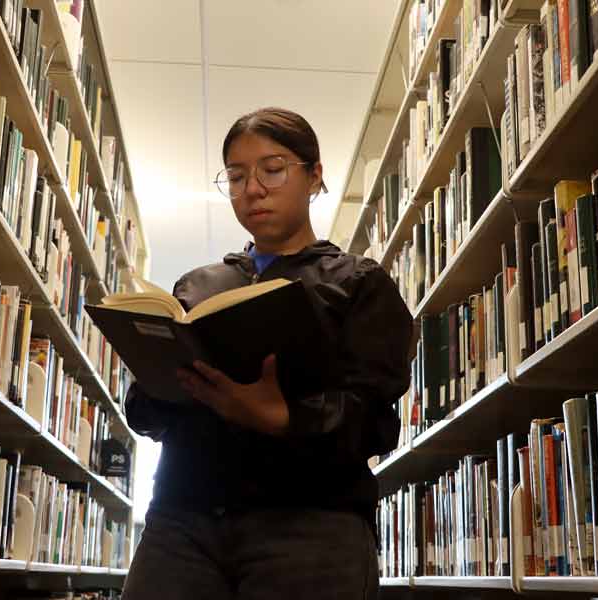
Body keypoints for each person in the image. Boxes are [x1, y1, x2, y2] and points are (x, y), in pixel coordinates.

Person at [121, 107, 414, 600]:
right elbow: (145, 411)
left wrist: (283, 417)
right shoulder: (197, 286)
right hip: (183, 520)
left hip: (312, 526)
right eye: (236, 176)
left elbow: (375, 420)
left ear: (314, 175)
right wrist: (162, 384)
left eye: (272, 170)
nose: (252, 189)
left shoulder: (360, 284)